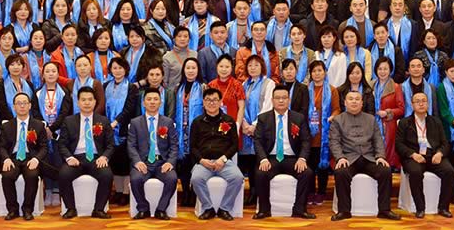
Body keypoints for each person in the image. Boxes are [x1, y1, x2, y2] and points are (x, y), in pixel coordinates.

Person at [327, 90, 398, 221]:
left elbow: (378, 140)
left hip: (369, 158)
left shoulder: (371, 119)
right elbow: (334, 142)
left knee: (385, 171)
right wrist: (340, 157)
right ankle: (344, 211)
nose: (354, 101)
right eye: (351, 99)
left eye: (357, 99)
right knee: (341, 172)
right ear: (345, 103)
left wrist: (380, 156)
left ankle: (384, 210)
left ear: (362, 103)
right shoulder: (338, 120)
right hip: (348, 158)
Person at [252, 86, 316, 219]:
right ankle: (264, 210)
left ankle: (299, 209)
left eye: (284, 98)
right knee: (260, 173)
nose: (281, 101)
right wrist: (263, 159)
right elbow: (257, 141)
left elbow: (306, 140)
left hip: (292, 158)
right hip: (271, 158)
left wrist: (302, 158)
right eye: (277, 98)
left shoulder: (298, 118)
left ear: (289, 100)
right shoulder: (263, 118)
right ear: (272, 100)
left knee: (307, 173)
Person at [56, 85, 115, 219]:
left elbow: (111, 145)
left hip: (96, 158)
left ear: (95, 102)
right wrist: (69, 158)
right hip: (76, 158)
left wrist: (104, 157)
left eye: (90, 100)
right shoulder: (69, 121)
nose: (87, 103)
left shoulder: (103, 121)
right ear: (78, 102)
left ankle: (99, 209)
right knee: (63, 175)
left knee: (107, 175)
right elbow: (62, 144)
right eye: (83, 100)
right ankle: (71, 209)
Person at [394, 90, 454, 218]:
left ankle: (443, 207)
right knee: (415, 172)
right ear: (412, 105)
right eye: (417, 101)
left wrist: (440, 153)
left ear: (428, 104)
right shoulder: (404, 123)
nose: (421, 104)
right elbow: (399, 145)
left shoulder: (436, 121)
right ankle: (420, 208)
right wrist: (413, 154)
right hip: (414, 156)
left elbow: (445, 143)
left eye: (424, 101)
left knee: (449, 171)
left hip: (433, 155)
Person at [187, 89, 243, 220]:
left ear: (220, 102)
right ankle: (208, 208)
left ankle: (225, 208)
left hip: (223, 162)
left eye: (215, 100)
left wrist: (223, 159)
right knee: (196, 179)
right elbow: (193, 147)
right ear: (203, 102)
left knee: (238, 178)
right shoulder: (197, 122)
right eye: (208, 100)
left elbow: (235, 145)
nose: (211, 103)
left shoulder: (229, 121)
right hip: (204, 162)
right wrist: (201, 160)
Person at [125, 88, 179, 220]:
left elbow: (174, 146)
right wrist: (137, 161)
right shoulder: (135, 122)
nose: (152, 102)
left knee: (172, 179)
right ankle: (143, 208)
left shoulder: (168, 122)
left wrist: (170, 162)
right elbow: (131, 145)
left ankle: (161, 209)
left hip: (162, 162)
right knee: (135, 179)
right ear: (143, 103)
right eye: (149, 99)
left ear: (160, 102)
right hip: (143, 162)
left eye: (155, 99)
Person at [0, 91, 53, 220]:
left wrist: (36, 159)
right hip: (13, 158)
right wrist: (6, 159)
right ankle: (13, 210)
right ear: (14, 106)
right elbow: (2, 147)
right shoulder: (7, 126)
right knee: (7, 176)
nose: (22, 106)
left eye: (24, 103)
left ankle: (28, 209)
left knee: (32, 175)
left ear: (29, 105)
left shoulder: (39, 125)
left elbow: (44, 147)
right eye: (19, 103)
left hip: (31, 158)